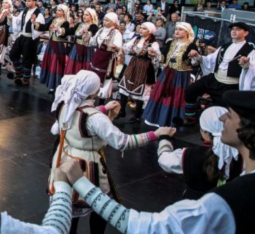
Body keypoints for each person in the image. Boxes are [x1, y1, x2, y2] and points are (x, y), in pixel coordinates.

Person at [60, 90, 255, 234]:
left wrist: (82, 182)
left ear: (244, 128)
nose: (222, 118)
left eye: (229, 115)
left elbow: (146, 226)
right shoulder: (238, 180)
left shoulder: (227, 200)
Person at [48, 70, 175, 234]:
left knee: (70, 206)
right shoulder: (94, 118)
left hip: (65, 160)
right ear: (93, 91)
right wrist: (155, 134)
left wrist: (105, 111)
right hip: (87, 167)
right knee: (100, 205)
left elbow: (81, 115)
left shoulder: (64, 105)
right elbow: (122, 142)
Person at [156, 106, 242, 199]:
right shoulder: (240, 155)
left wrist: (164, 139)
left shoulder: (191, 154)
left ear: (204, 131)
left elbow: (164, 160)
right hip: (228, 206)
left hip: (196, 204)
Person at [185, 22, 255, 125]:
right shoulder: (224, 46)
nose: (234, 31)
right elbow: (210, 60)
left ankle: (215, 130)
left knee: (222, 111)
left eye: (238, 29)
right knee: (190, 90)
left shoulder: (251, 52)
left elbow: (252, 70)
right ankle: (191, 118)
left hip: (230, 86)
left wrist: (246, 65)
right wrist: (198, 57)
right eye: (232, 29)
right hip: (214, 79)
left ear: (246, 33)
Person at [143, 22, 199, 127]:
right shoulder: (170, 43)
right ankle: (157, 119)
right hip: (167, 73)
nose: (177, 31)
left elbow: (195, 63)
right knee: (161, 95)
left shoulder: (191, 45)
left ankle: (170, 123)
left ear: (187, 32)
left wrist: (195, 56)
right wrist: (154, 55)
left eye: (180, 29)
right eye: (176, 29)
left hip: (181, 76)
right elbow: (163, 60)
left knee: (176, 98)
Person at [117, 22, 161, 123]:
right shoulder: (136, 39)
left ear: (149, 31)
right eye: (140, 28)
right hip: (134, 64)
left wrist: (153, 55)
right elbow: (126, 48)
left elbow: (158, 59)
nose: (141, 30)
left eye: (144, 28)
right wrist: (126, 48)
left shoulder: (153, 43)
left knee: (141, 91)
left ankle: (137, 116)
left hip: (144, 67)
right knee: (124, 86)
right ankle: (122, 110)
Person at [9, 0, 46, 86]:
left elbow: (41, 27)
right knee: (13, 54)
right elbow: (17, 21)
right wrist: (10, 16)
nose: (27, 2)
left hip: (31, 37)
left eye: (29, 0)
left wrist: (34, 23)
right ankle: (19, 72)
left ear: (34, 2)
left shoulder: (39, 14)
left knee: (27, 59)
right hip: (22, 35)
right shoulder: (25, 11)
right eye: (26, 1)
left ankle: (25, 79)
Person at [38, 5, 72, 93]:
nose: (58, 12)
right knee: (50, 63)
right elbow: (45, 27)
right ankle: (50, 84)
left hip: (59, 45)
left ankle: (56, 85)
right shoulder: (53, 20)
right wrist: (35, 23)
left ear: (64, 12)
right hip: (51, 43)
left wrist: (57, 29)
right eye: (57, 10)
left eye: (60, 10)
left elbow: (65, 33)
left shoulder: (65, 22)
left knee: (56, 64)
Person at [64, 8, 98, 77]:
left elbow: (91, 33)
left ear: (92, 16)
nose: (84, 16)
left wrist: (86, 33)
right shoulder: (80, 24)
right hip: (76, 49)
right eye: (84, 15)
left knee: (84, 68)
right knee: (72, 67)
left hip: (87, 50)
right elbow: (71, 31)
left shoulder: (94, 26)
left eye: (87, 15)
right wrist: (61, 29)